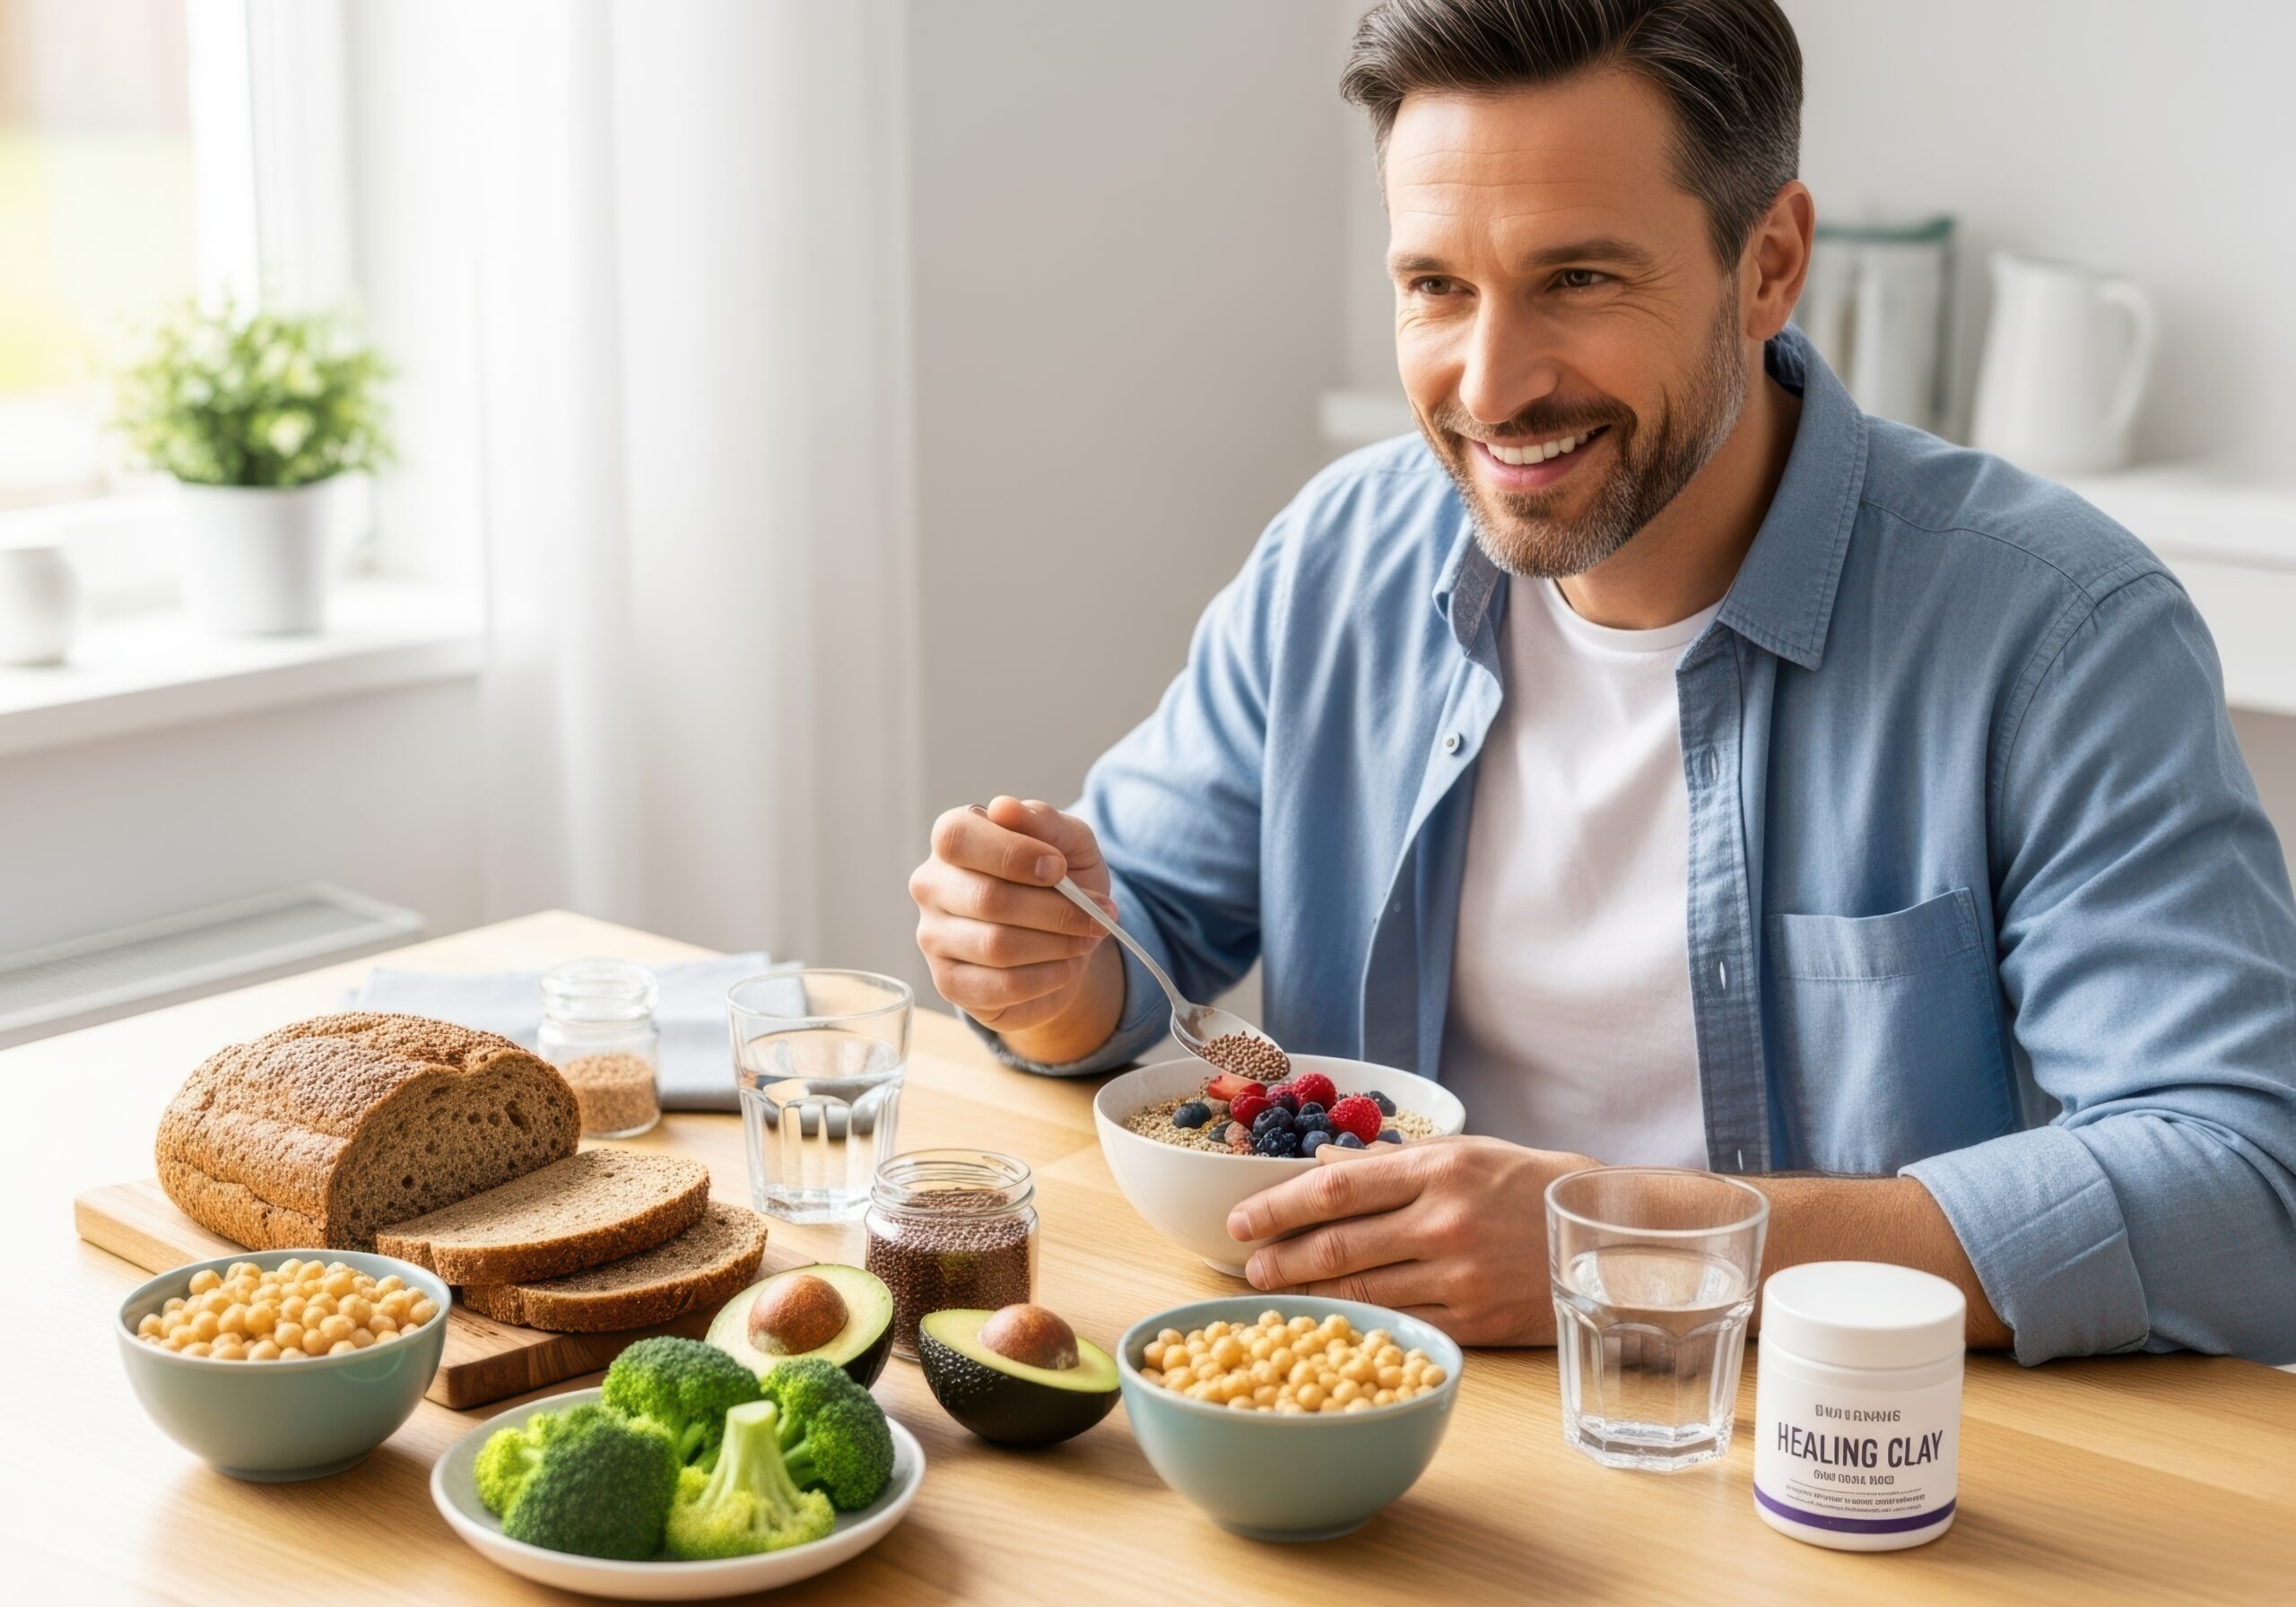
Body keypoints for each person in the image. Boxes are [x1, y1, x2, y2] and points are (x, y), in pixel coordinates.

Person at [907, 0, 2296, 1364]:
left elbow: (2242, 1187)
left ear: (1769, 264)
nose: (1494, 386)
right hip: (1380, 1424)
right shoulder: (1341, 555)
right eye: (1438, 286)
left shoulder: (2058, 631)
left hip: (1842, 1483)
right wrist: (1048, 968)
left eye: (1577, 279)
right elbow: (1134, 927)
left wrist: (1620, 1238)